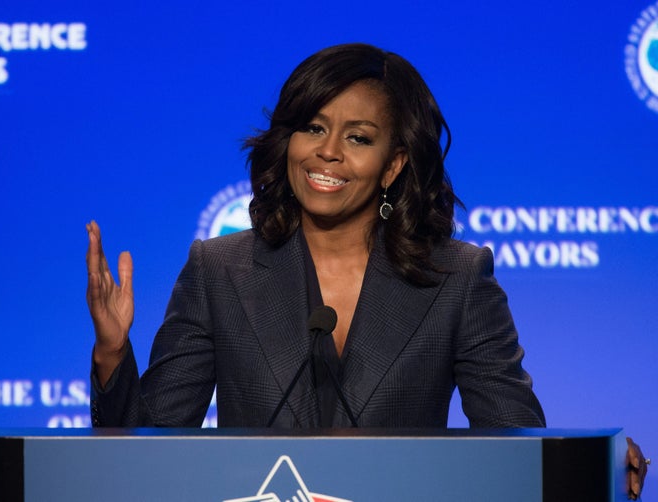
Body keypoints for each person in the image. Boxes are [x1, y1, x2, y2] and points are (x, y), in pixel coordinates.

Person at [86, 43, 648, 498]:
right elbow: (152, 447)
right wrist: (112, 353)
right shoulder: (220, 270)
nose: (327, 153)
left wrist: (594, 464)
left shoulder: (456, 277)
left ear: (393, 165)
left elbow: (515, 438)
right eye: (312, 128)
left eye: (358, 138)